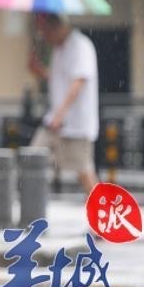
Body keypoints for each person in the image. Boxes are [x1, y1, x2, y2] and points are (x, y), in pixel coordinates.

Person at [28, 13, 99, 195]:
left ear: (57, 27)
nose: (45, 37)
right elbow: (60, 79)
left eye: (46, 32)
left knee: (84, 173)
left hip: (75, 124)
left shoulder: (80, 46)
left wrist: (61, 113)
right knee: (32, 157)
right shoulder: (59, 49)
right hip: (55, 122)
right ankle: (32, 208)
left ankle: (102, 219)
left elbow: (78, 81)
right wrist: (41, 71)